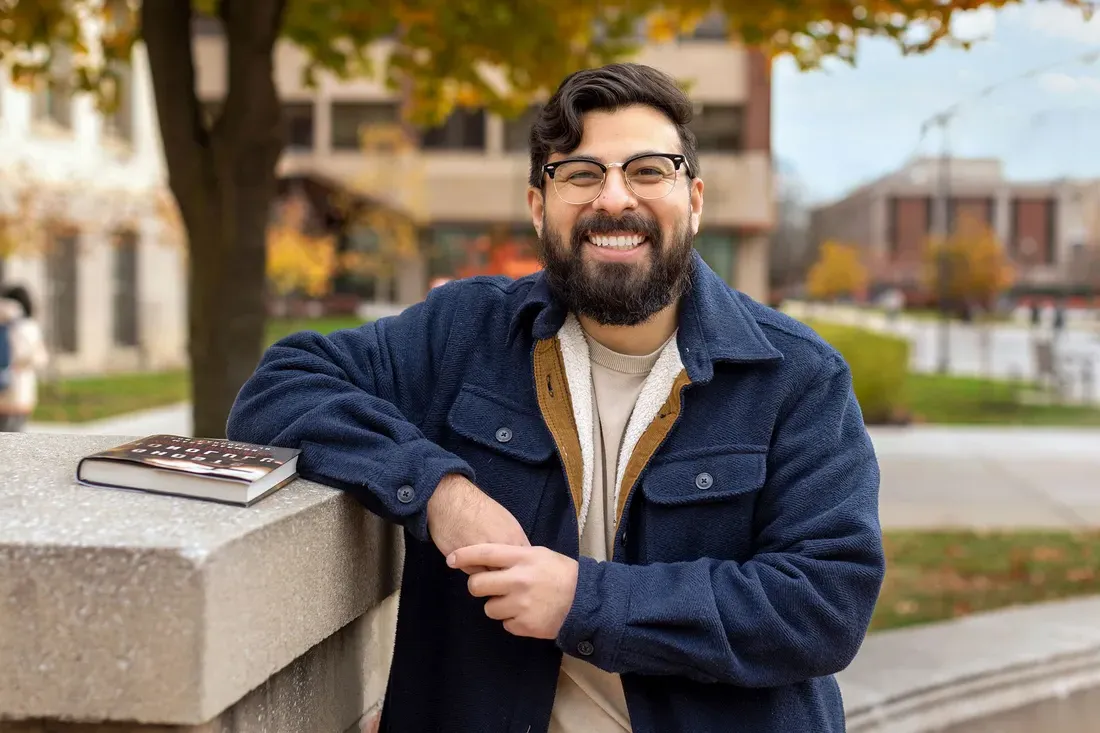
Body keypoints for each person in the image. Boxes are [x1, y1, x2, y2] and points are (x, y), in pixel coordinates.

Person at [227, 62, 885, 733]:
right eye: (581, 174)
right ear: (540, 206)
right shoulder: (467, 332)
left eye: (649, 170)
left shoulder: (796, 375)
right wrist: (440, 492)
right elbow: (282, 384)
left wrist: (584, 601)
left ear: (694, 198)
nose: (614, 199)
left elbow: (824, 604)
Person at [0, 284, 49, 432]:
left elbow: (35, 357)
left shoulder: (18, 327)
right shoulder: (29, 326)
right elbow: (41, 358)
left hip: (13, 391)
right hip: (21, 392)